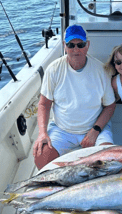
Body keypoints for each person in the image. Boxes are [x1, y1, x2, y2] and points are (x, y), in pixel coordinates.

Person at [33, 24, 116, 169]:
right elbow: (44, 104)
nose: (76, 49)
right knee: (41, 158)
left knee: (109, 162)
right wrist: (42, 133)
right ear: (65, 46)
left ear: (87, 45)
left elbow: (110, 105)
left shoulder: (101, 70)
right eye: (71, 45)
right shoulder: (53, 69)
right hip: (62, 129)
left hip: (94, 127)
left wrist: (95, 131)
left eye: (80, 44)